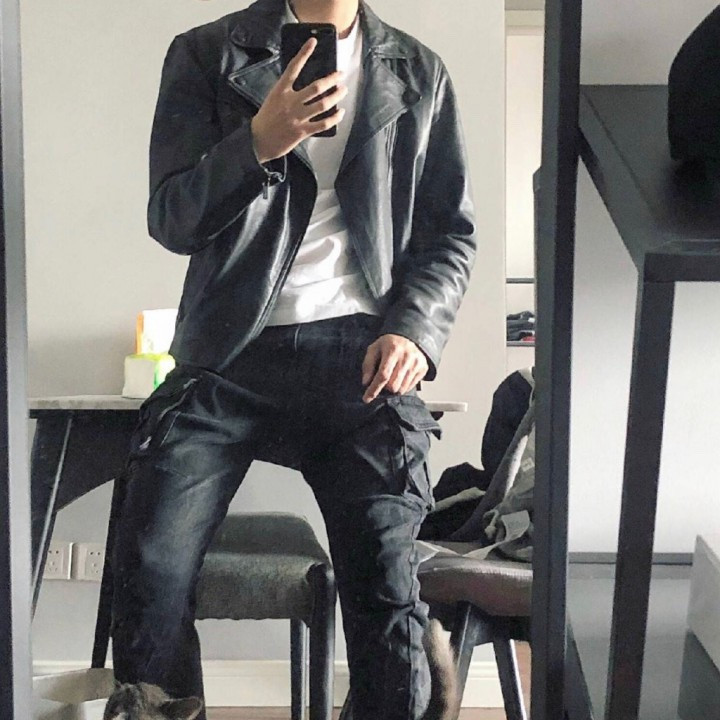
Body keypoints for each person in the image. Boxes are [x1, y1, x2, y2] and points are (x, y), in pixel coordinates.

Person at [109, 0, 477, 719]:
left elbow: (449, 236)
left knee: (387, 579)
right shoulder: (207, 53)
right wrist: (257, 143)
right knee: (150, 565)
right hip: (228, 353)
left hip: (363, 358)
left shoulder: (417, 72)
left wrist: (414, 332)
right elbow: (172, 217)